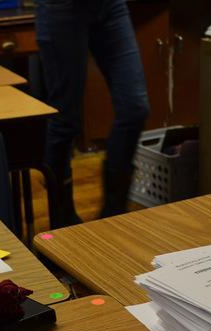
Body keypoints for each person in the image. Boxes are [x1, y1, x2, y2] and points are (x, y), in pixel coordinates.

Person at [35, 0, 150, 227]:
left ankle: (113, 216)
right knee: (65, 121)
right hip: (61, 9)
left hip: (110, 6)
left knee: (135, 108)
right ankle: (62, 222)